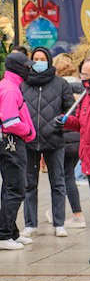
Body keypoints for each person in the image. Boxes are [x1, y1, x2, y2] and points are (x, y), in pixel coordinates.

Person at [21, 46, 74, 238]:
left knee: (58, 183)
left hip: (54, 140)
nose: (39, 62)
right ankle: (30, 224)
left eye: (43, 58)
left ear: (49, 61)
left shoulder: (60, 84)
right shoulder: (24, 84)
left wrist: (61, 121)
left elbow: (70, 110)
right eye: (36, 58)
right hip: (29, 141)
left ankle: (59, 223)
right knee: (29, 184)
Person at [60, 57, 90, 264]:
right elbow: (81, 125)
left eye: (87, 75)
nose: (84, 79)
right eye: (82, 75)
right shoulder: (85, 98)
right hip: (88, 161)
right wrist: (67, 121)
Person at [0, 52, 36, 250]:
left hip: (9, 142)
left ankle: (10, 233)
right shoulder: (10, 89)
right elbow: (10, 121)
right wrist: (28, 131)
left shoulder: (9, 86)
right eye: (26, 66)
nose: (29, 69)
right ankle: (4, 235)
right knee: (16, 189)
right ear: (17, 67)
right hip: (12, 143)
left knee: (10, 188)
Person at [53, 53, 87, 230]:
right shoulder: (81, 86)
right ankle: (69, 213)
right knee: (69, 175)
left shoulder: (57, 86)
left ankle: (77, 214)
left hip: (63, 137)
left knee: (63, 177)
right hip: (77, 137)